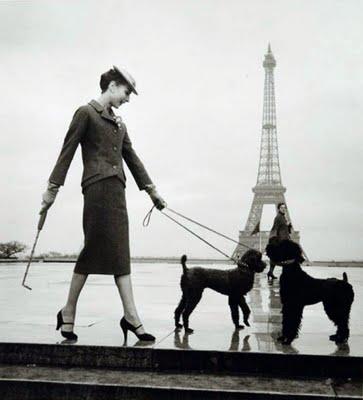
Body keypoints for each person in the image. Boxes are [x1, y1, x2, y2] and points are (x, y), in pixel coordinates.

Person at [40, 66, 166, 342]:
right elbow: (67, 151)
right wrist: (52, 189)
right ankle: (69, 310)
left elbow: (132, 159)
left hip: (117, 191)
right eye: (126, 92)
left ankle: (130, 316)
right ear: (112, 85)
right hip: (96, 190)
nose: (128, 98)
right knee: (93, 249)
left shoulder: (120, 123)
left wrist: (152, 191)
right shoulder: (85, 113)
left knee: (121, 251)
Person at [266, 202, 292, 280]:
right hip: (281, 240)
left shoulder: (283, 218)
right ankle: (285, 275)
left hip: (285, 239)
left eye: (284, 208)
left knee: (276, 258)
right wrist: (274, 240)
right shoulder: (278, 217)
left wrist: (288, 226)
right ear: (278, 209)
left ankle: (270, 272)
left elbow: (285, 229)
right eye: (282, 208)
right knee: (286, 257)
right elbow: (275, 228)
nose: (283, 209)